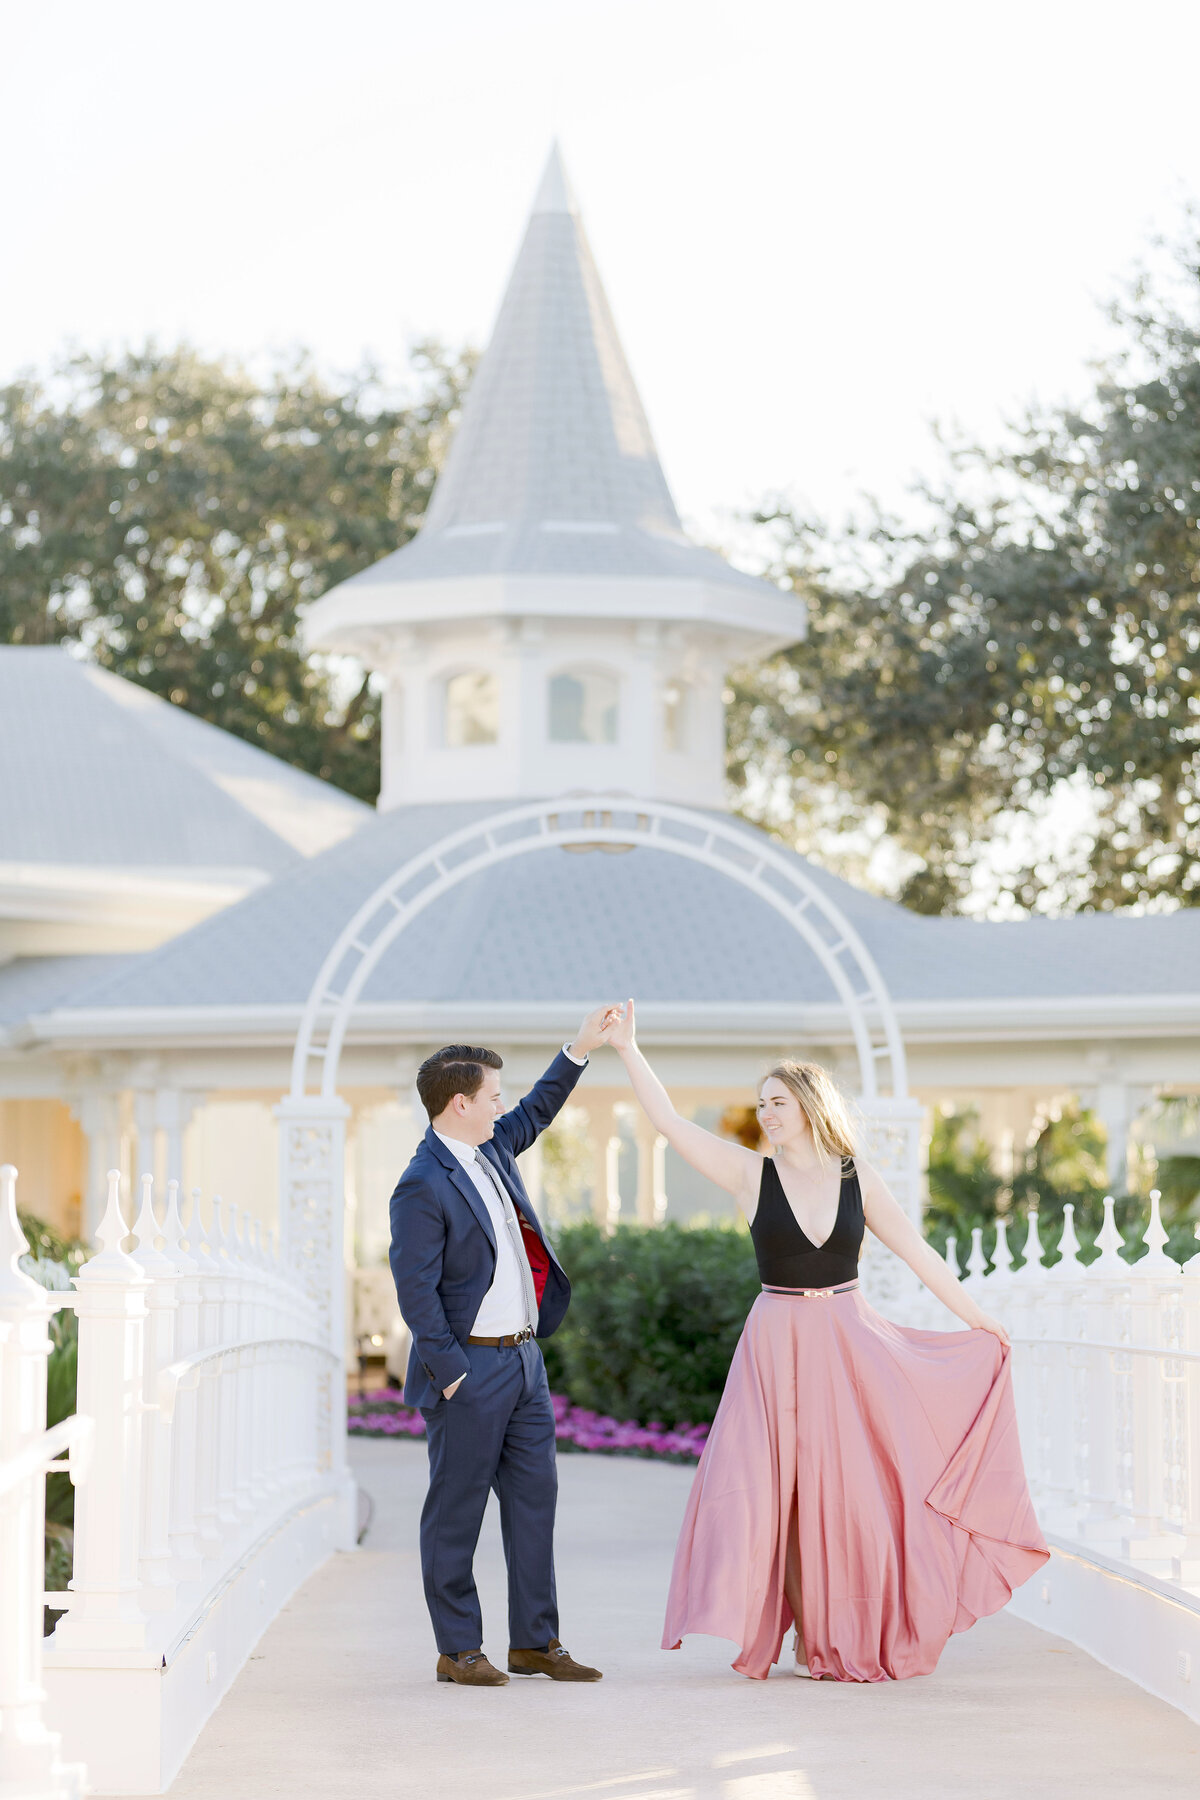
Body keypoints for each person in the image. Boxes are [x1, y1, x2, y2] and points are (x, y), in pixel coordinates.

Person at [607, 999, 1049, 1684]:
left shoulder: (858, 1178)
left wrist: (978, 1319)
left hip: (848, 1342)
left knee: (849, 1494)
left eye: (778, 1101)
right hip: (774, 1344)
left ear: (810, 1105)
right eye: (762, 1104)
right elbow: (666, 1123)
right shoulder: (751, 1174)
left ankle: (841, 1636)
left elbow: (919, 1254)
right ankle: (775, 1626)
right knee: (765, 1489)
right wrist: (629, 1049)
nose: (767, 1114)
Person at [389, 1010, 616, 1688]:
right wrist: (452, 1374)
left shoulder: (490, 1148)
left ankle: (535, 1643)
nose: (501, 1105)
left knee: (533, 1503)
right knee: (455, 1513)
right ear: (459, 1103)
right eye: (492, 1094)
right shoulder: (421, 1183)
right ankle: (458, 1648)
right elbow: (416, 1291)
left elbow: (539, 1110)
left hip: (523, 1364)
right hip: (471, 1370)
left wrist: (580, 1048)